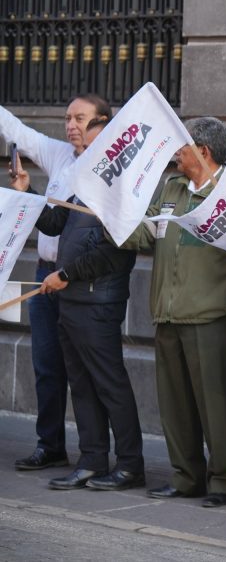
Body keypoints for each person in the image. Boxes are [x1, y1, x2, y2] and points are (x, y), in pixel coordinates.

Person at [118, 117, 226, 508]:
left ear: (203, 152)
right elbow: (145, 235)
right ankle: (186, 477)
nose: (176, 153)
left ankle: (223, 481)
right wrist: (114, 218)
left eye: (181, 146)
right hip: (167, 315)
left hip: (208, 317)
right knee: (174, 405)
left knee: (214, 404)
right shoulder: (171, 189)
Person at [12, 116, 144, 490]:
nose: (77, 133)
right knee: (82, 385)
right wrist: (29, 191)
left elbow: (114, 254)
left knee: (109, 384)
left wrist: (66, 274)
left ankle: (131, 464)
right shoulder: (82, 183)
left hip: (97, 302)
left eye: (84, 124)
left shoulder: (121, 187)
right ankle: (92, 459)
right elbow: (56, 224)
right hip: (71, 301)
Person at [1, 95, 111, 471]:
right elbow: (18, 133)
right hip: (44, 276)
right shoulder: (60, 155)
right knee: (47, 366)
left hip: (79, 281)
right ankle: (50, 445)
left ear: (102, 122)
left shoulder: (109, 168)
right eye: (67, 118)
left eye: (80, 118)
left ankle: (95, 452)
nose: (71, 125)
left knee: (86, 372)